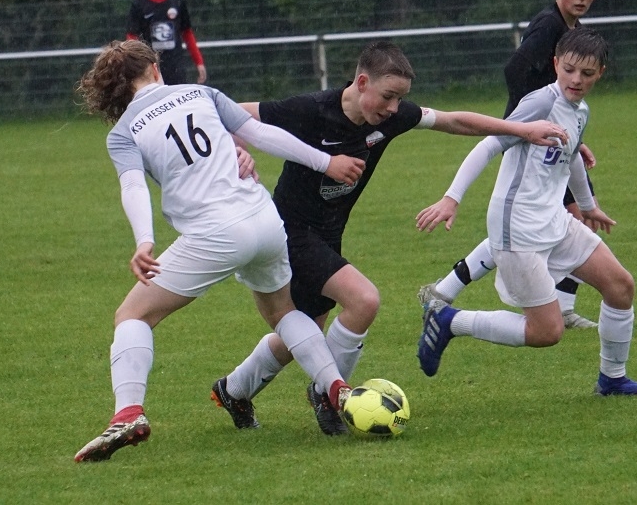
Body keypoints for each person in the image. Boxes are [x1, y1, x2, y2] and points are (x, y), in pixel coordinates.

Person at [209, 41, 571, 435]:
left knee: (305, 334)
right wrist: (238, 150)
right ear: (362, 82)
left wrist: (522, 129)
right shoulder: (311, 110)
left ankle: (233, 390)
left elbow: (454, 121)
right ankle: (329, 397)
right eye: (388, 96)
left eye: (400, 98)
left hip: (328, 234)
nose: (394, 108)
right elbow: (227, 113)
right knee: (363, 300)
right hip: (289, 232)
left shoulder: (389, 118)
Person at [73, 40, 367, 462]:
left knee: (133, 315)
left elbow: (133, 186)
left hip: (214, 234)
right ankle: (336, 387)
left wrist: (144, 241)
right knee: (283, 312)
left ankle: (128, 413)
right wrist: (325, 161)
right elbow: (261, 134)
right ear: (154, 68)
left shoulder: (123, 132)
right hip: (264, 218)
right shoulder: (200, 92)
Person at [414, 28, 637, 397]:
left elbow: (572, 155)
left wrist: (587, 205)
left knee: (620, 286)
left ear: (600, 73)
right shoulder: (540, 102)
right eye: (569, 70)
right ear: (555, 64)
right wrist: (451, 197)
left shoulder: (580, 111)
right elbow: (488, 145)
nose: (576, 80)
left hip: (555, 221)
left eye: (587, 73)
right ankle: (450, 321)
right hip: (517, 227)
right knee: (547, 332)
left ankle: (612, 380)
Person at [421, 0, 602, 329]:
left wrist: (566, 132)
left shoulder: (572, 28)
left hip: (547, 140)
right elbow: (515, 69)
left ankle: (443, 291)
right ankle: (562, 308)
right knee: (560, 222)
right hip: (532, 141)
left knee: (530, 228)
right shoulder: (549, 25)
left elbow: (563, 102)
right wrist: (526, 126)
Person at [126, 0, 208, 85]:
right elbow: (132, 38)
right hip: (150, 68)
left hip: (175, 67)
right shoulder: (139, 5)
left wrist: (199, 62)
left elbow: (187, 34)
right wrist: (134, 66)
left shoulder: (178, 2)